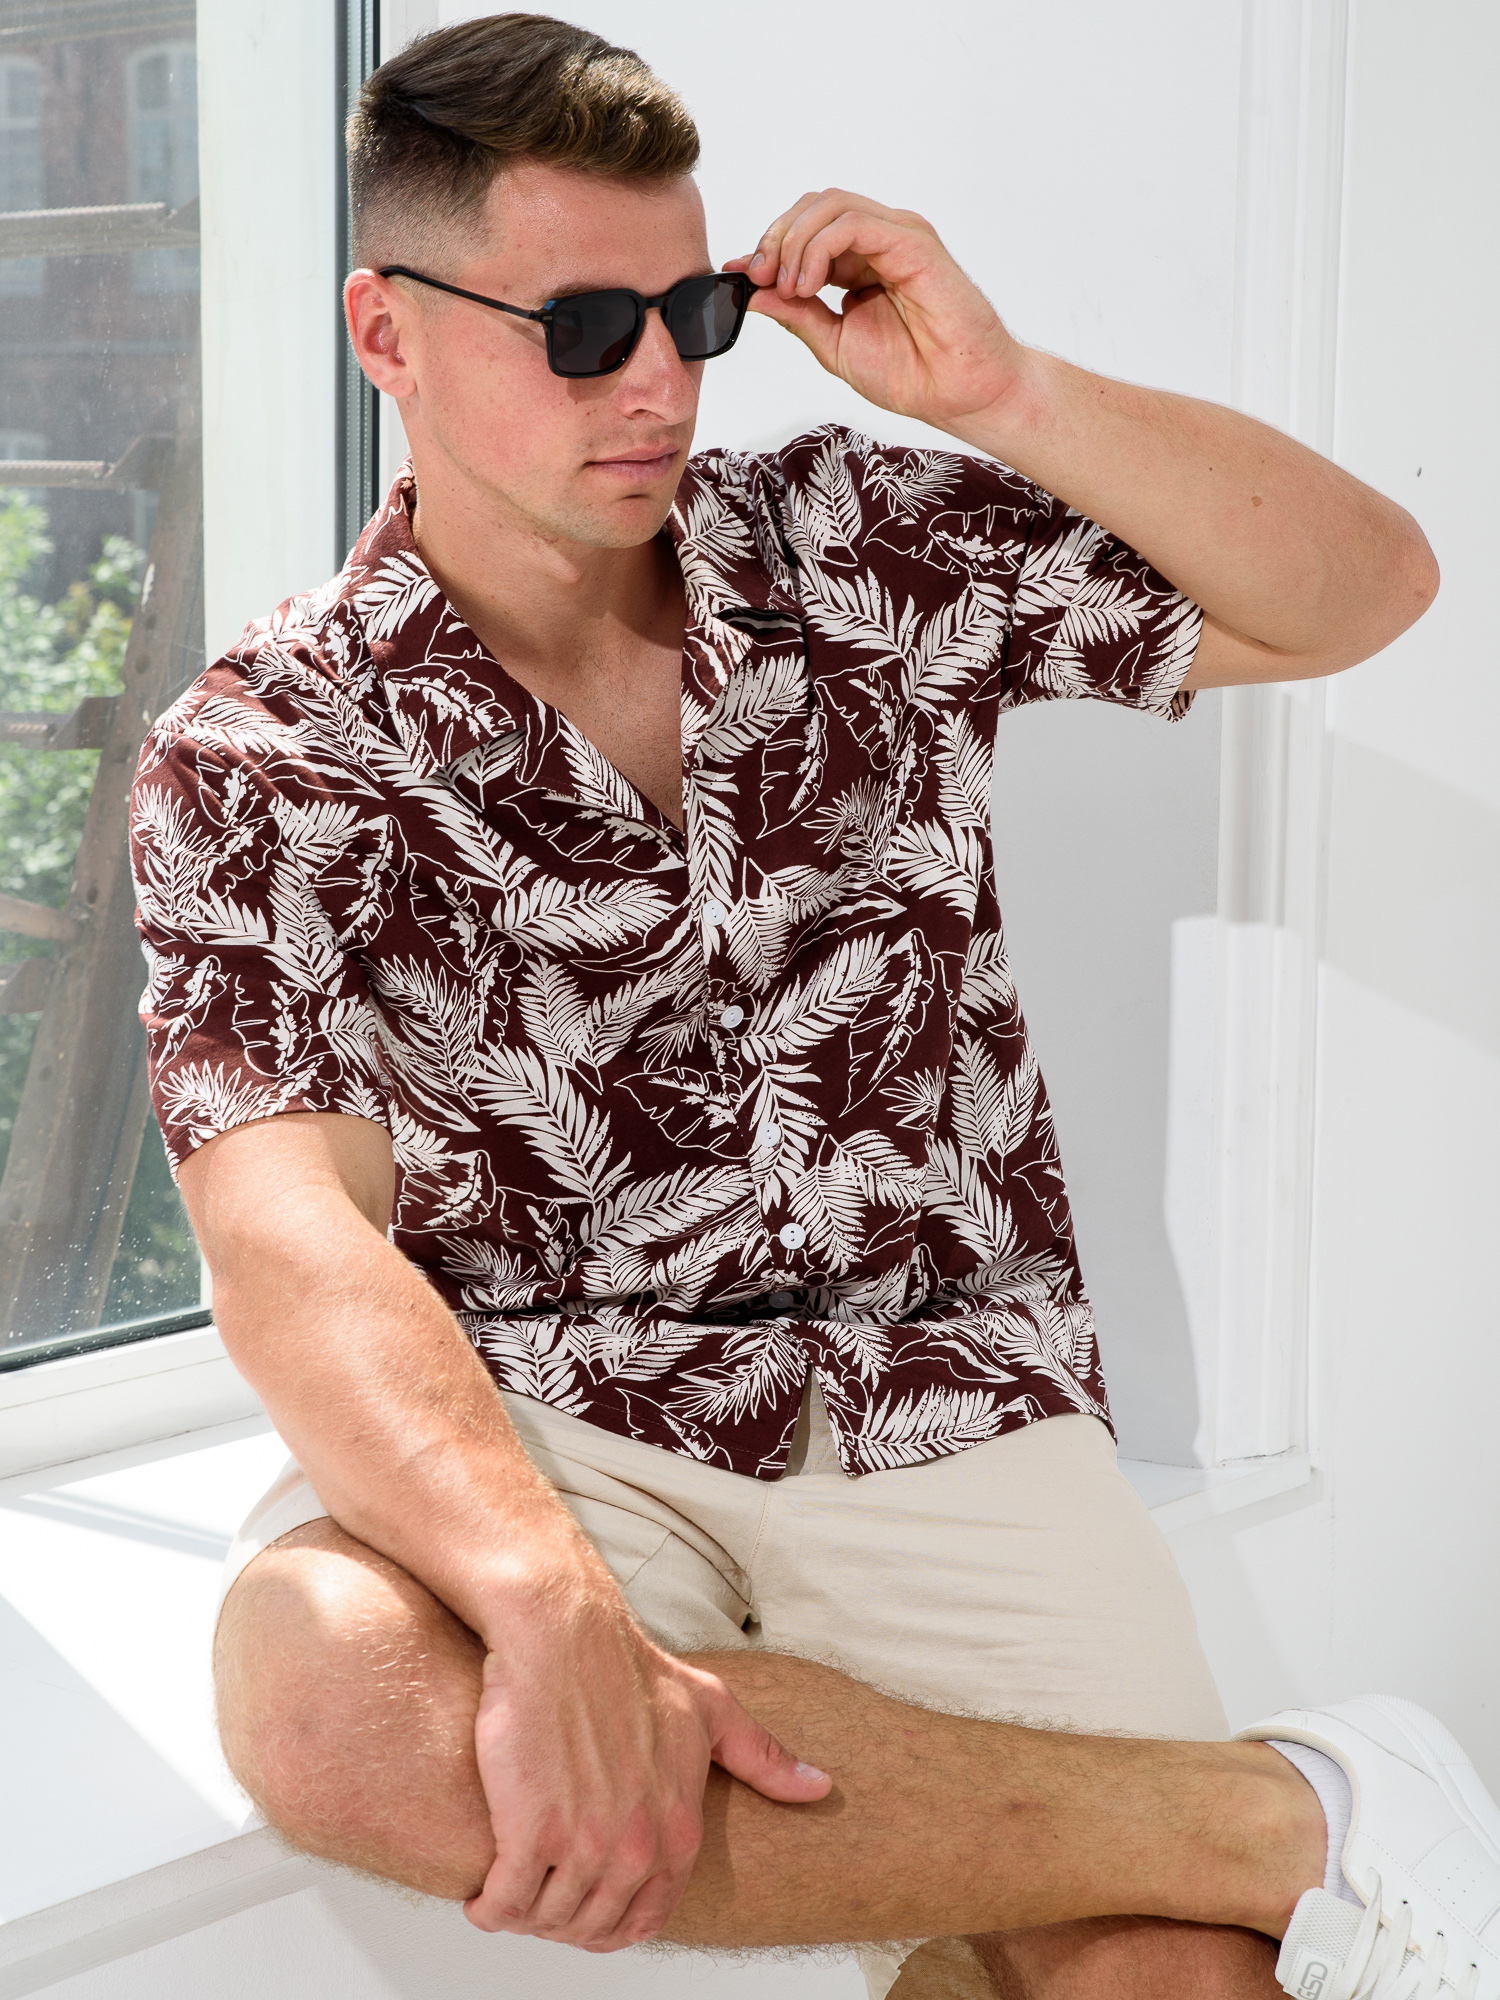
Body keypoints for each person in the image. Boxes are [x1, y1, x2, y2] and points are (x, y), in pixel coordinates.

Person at [129, 14, 1498, 1999]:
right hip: (555, 1408)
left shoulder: (852, 542)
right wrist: (545, 1599)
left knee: (1168, 1982)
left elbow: (1363, 588)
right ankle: (1298, 1820)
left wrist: (1003, 385)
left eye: (692, 313)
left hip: (943, 1382)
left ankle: (1158, 1871)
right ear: (384, 333)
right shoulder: (262, 754)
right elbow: (286, 1241)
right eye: (583, 326)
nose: (658, 381)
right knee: (324, 1696)